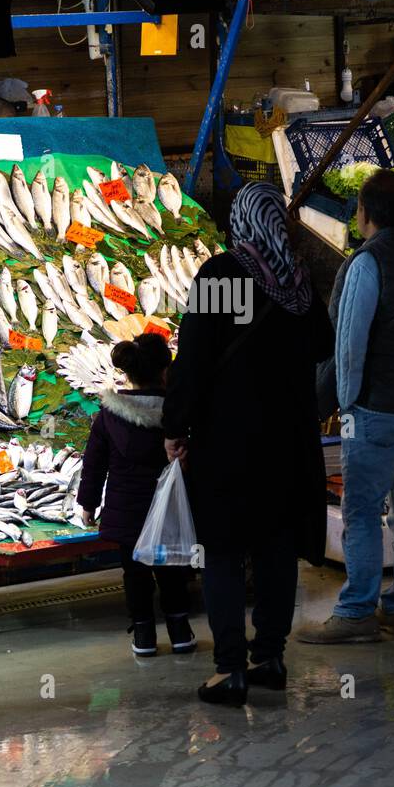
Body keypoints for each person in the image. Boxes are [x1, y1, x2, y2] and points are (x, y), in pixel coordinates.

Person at [163, 181, 334, 707]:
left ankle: (230, 669)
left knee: (224, 551)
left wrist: (175, 426)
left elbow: (193, 359)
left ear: (241, 222)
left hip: (231, 443)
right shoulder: (296, 281)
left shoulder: (224, 275)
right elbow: (322, 345)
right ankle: (270, 658)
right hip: (291, 443)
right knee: (277, 548)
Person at [297, 168, 394, 644]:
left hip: (378, 412)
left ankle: (357, 612)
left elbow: (349, 345)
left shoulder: (367, 264)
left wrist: (344, 405)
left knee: (362, 509)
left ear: (364, 213)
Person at [77, 334, 196, 658]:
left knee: (135, 573)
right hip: (170, 509)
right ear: (165, 370)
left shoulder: (109, 415)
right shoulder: (178, 414)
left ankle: (144, 635)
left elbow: (94, 464)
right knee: (172, 569)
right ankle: (180, 630)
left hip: (127, 511)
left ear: (128, 372)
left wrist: (88, 503)